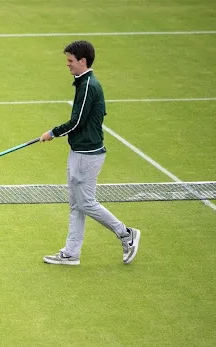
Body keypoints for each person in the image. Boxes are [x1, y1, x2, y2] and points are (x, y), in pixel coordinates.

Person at [40, 40, 140, 265]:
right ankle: (71, 253)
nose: (68, 65)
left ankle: (126, 234)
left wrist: (52, 133)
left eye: (70, 61)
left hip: (89, 154)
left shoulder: (88, 86)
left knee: (86, 203)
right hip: (79, 151)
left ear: (82, 61)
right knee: (76, 205)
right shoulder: (82, 83)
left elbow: (77, 123)